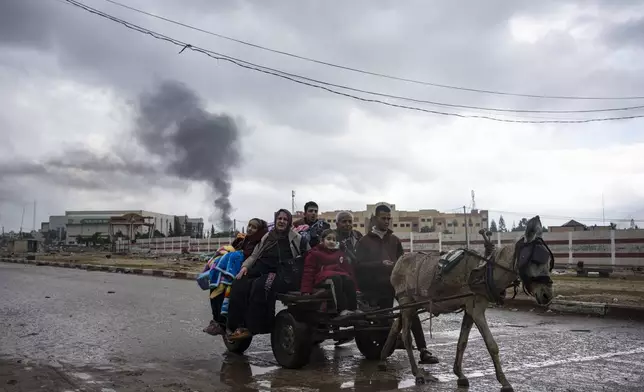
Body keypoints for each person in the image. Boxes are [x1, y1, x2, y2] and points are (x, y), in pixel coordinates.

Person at [355, 204, 439, 365]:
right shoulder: (364, 241)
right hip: (374, 286)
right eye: (383, 218)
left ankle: (423, 350)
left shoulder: (394, 240)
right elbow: (358, 265)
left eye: (388, 218)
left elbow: (402, 262)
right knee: (387, 315)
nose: (386, 221)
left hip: (396, 284)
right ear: (375, 219)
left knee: (411, 310)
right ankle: (391, 342)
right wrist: (380, 264)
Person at [226, 209, 309, 340]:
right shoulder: (268, 236)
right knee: (238, 283)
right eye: (279, 219)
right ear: (275, 220)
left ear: (289, 222)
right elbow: (255, 255)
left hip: (281, 272)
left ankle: (254, 327)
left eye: (285, 219)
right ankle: (235, 325)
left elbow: (307, 257)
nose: (281, 221)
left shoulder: (296, 238)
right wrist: (245, 267)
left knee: (260, 286)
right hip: (260, 267)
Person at [202, 218, 268, 336]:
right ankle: (218, 322)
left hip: (248, 273)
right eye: (249, 225)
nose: (250, 229)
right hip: (235, 272)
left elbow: (252, 258)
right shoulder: (246, 240)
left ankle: (223, 323)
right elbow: (233, 251)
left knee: (228, 290)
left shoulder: (261, 243)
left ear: (259, 230)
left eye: (254, 227)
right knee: (216, 288)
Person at [300, 229, 361, 317]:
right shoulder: (314, 253)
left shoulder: (339, 254)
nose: (331, 242)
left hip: (339, 276)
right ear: (322, 240)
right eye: (329, 239)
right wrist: (306, 290)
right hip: (322, 279)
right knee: (336, 279)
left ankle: (353, 308)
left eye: (334, 240)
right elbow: (308, 272)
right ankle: (341, 309)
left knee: (348, 279)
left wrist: (356, 289)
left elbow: (348, 270)